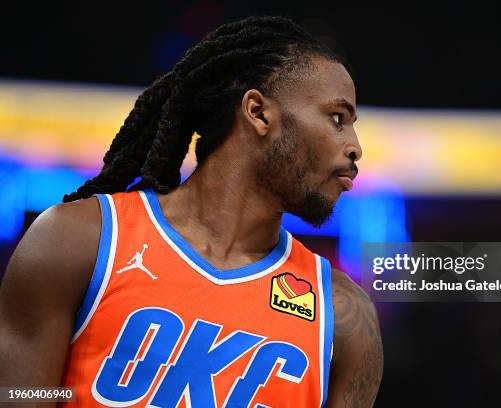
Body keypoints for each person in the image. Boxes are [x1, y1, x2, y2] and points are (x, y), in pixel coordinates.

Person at [0, 15, 383, 407]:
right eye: (338, 118)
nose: (355, 147)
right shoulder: (79, 241)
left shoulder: (345, 317)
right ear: (258, 112)